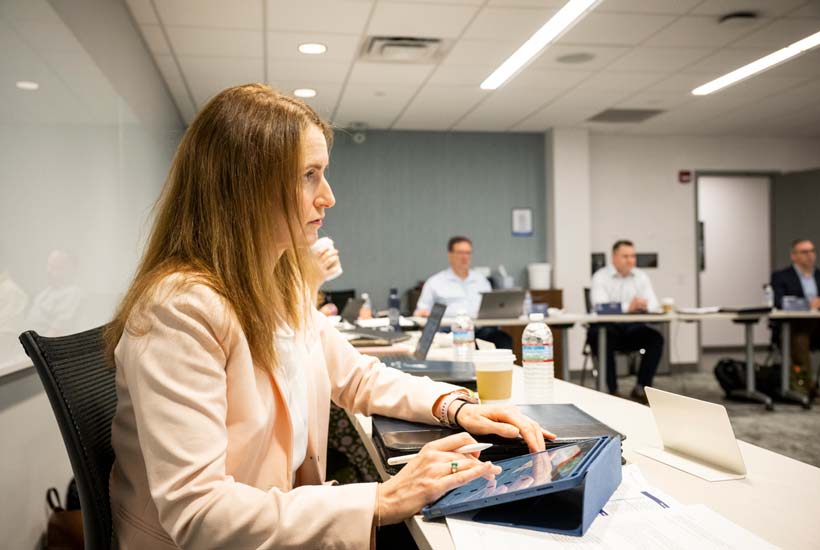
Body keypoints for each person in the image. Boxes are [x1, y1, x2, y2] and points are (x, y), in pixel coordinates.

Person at [105, 84, 554, 549]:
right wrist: (379, 500)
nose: (329, 197)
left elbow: (357, 377)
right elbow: (200, 514)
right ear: (244, 184)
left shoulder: (277, 286)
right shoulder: (179, 309)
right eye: (309, 175)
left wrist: (458, 408)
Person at [589, 240, 664, 403]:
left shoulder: (641, 276)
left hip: (631, 329)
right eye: (625, 256)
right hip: (606, 328)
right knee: (602, 337)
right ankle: (611, 391)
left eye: (633, 256)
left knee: (655, 338)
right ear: (614, 257)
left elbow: (654, 304)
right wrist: (627, 307)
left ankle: (642, 388)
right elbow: (599, 306)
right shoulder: (600, 277)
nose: (630, 260)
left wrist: (644, 305)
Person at [414, 236, 513, 349]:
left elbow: (492, 308)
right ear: (450, 255)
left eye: (468, 253)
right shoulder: (435, 282)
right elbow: (420, 312)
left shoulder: (481, 280)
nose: (464, 257)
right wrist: (422, 313)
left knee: (503, 339)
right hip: (449, 332)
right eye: (460, 253)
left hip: (480, 331)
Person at [771, 238, 820, 398]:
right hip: (794, 326)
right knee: (799, 338)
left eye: (812, 251)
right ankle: (807, 387)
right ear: (794, 256)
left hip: (817, 325)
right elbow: (779, 302)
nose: (810, 255)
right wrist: (809, 303)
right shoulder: (781, 277)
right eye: (804, 252)